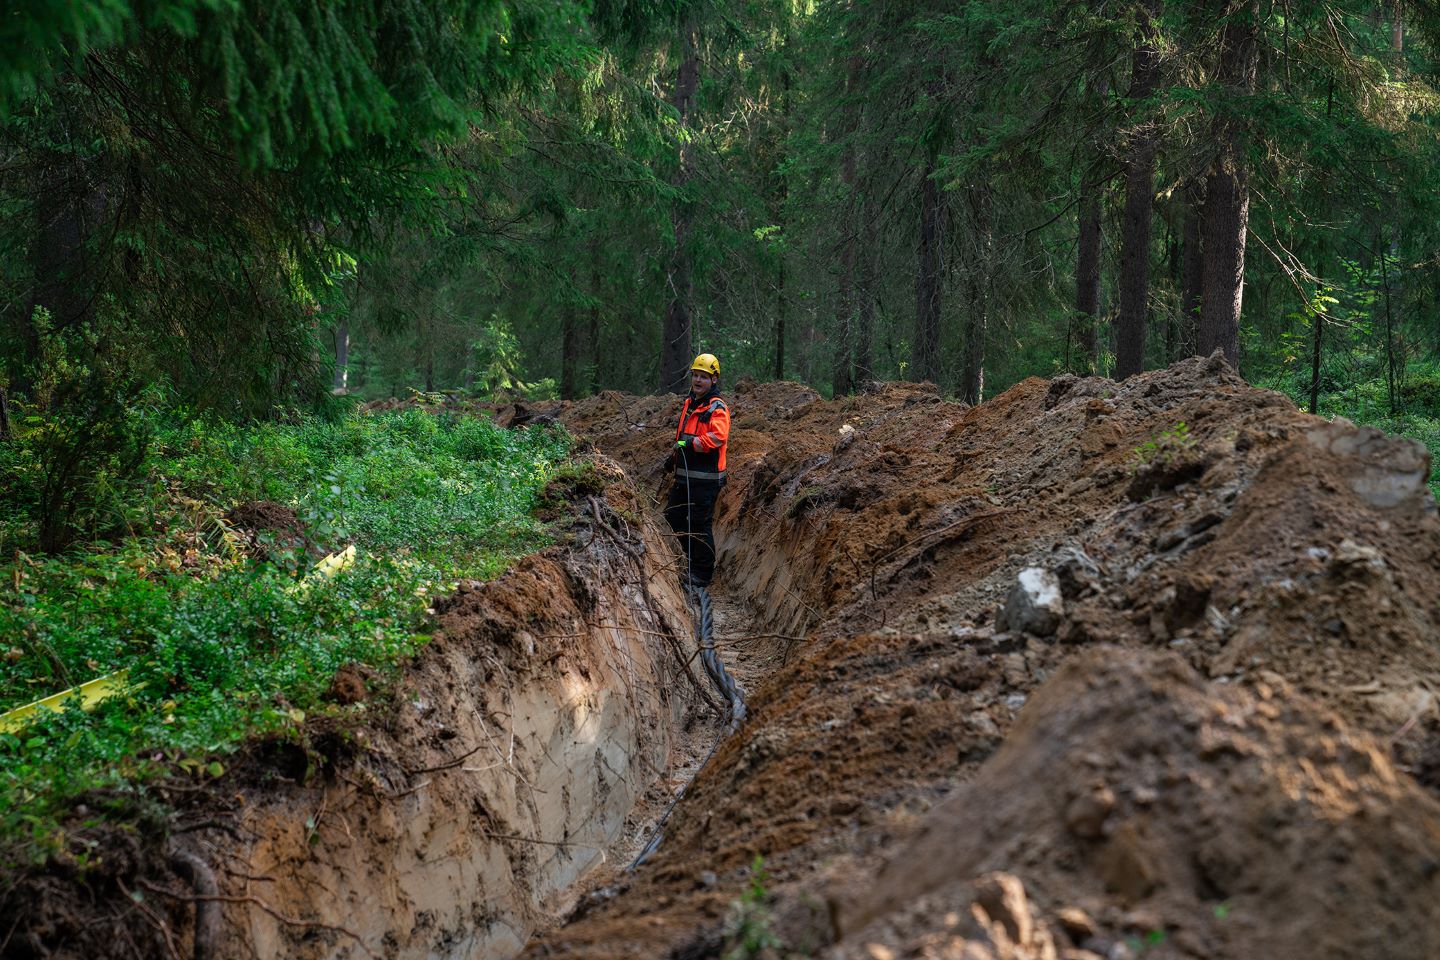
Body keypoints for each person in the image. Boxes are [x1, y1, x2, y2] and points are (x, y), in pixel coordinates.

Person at [663, 354, 730, 589]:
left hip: (705, 480)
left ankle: (702, 573)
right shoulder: (690, 402)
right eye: (695, 375)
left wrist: (692, 445)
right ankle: (686, 561)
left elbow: (718, 437)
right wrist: (674, 457)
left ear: (714, 380)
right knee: (672, 517)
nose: (698, 380)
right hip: (685, 477)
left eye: (704, 377)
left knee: (699, 525)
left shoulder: (716, 407)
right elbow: (683, 436)